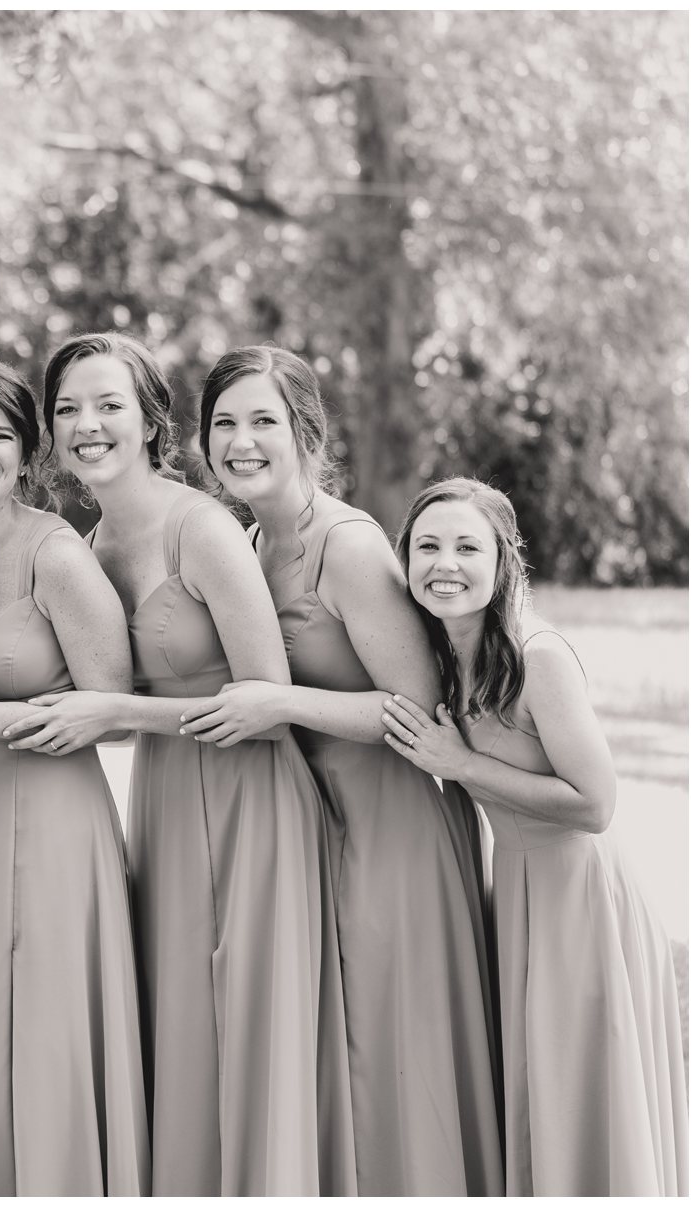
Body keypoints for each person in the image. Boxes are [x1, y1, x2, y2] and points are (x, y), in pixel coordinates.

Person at [0, 332, 354, 1194]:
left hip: (253, 804)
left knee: (250, 1036)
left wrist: (117, 711)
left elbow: (268, 701)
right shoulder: (87, 541)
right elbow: (102, 703)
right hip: (164, 802)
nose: (88, 423)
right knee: (185, 1035)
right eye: (69, 408)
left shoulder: (202, 530)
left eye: (109, 403)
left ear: (152, 419)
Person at [176, 347, 502, 1193]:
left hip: (390, 831)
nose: (241, 441)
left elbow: (419, 709)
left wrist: (281, 704)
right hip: (307, 829)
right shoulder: (246, 540)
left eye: (263, 421)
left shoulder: (347, 545)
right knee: (332, 1061)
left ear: (306, 433)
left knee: (390, 1056)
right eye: (224, 424)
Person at [383, 477, 687, 1196]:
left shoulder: (537, 655)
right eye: (427, 546)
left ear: (502, 562)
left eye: (466, 546)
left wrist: (462, 763)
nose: (445, 563)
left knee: (584, 1083)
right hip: (515, 889)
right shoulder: (441, 659)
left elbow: (596, 802)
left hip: (580, 896)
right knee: (536, 1087)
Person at [0, 355, 148, 1195]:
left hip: (52, 817)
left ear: (28, 455)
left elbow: (115, 710)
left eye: (0, 435)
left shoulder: (54, 555)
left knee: (45, 1024)